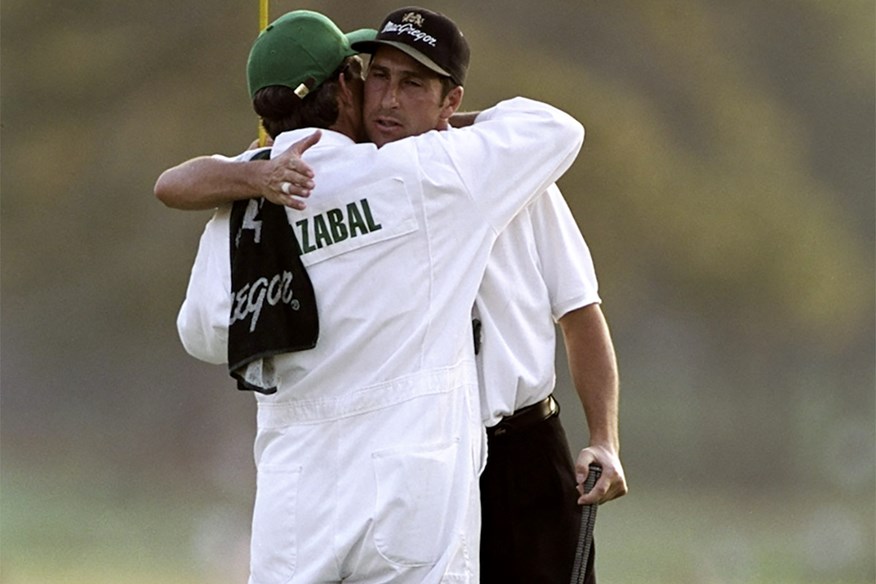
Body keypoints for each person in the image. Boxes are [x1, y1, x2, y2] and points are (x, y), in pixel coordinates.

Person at [157, 7, 627, 584]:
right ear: (347, 89)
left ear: (450, 100)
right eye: (376, 76)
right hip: (420, 461)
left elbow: (580, 312)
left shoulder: (504, 173)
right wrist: (255, 177)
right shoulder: (380, 174)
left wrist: (604, 437)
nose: (387, 101)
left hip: (516, 452)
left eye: (413, 85)